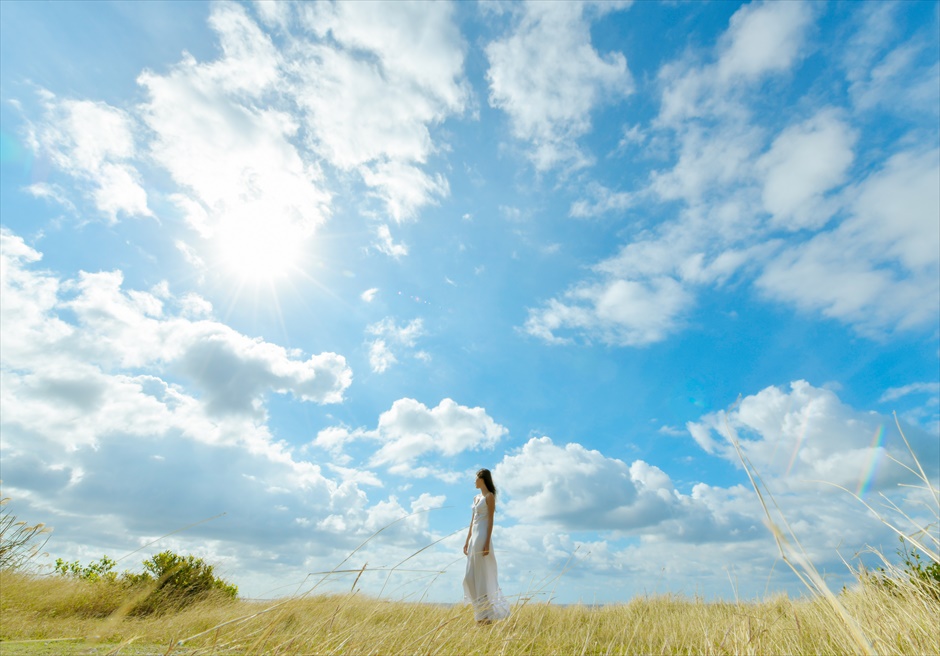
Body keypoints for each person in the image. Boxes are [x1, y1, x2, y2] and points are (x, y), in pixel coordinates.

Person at [463, 468, 510, 624]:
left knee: (482, 577)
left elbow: (490, 520)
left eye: (476, 478)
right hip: (473, 538)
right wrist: (467, 539)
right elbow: (472, 521)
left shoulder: (489, 497)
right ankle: (480, 614)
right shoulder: (476, 497)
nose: (474, 481)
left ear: (482, 479)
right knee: (470, 578)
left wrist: (487, 542)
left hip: (482, 537)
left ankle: (485, 618)